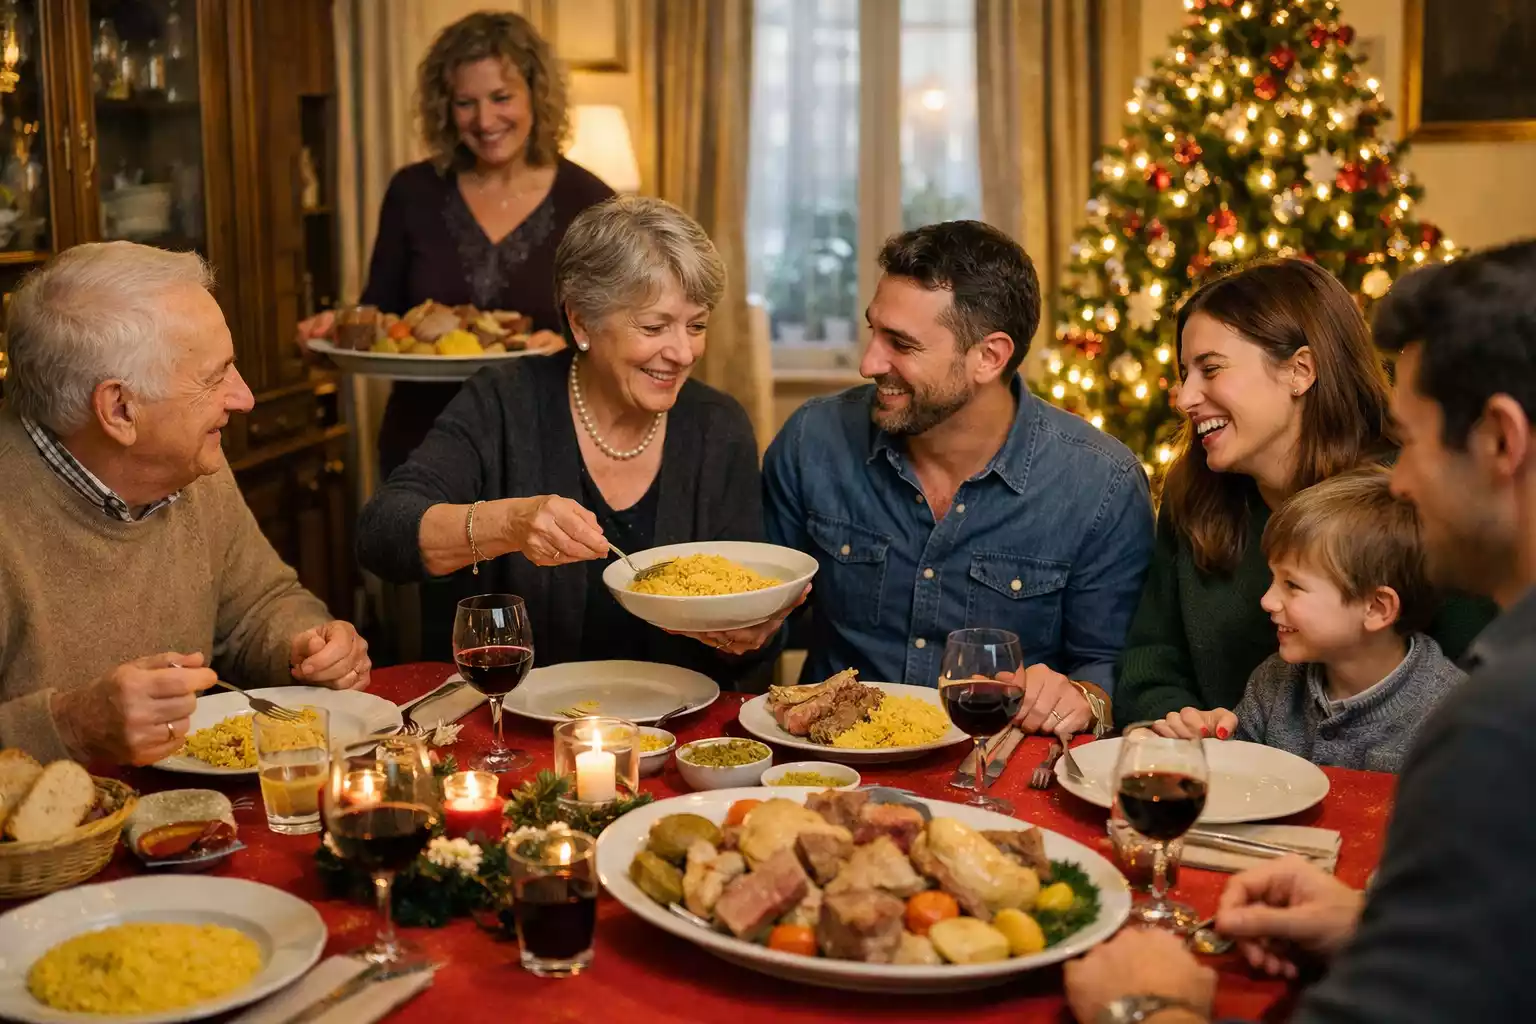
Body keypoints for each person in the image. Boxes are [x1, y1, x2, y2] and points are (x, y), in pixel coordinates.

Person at [1064, 240, 1536, 1023]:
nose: (1404, 480)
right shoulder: (1199, 500)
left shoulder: (1491, 725)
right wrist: (1363, 923)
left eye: (1413, 441)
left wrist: (1145, 1008)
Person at [742, 221, 1154, 735]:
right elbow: (765, 614)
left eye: (902, 344)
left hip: (992, 771)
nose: (870, 362)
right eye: (874, 330)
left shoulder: (1101, 484)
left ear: (989, 357)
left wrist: (1083, 697)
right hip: (831, 758)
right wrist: (739, 626)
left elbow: (1108, 664)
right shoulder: (813, 440)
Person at [356, 196, 773, 681]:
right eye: (655, 326)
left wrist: (749, 631)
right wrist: (510, 523)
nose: (682, 352)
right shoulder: (504, 402)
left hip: (679, 731)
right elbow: (382, 533)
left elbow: (753, 628)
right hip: (515, 729)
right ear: (580, 320)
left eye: (696, 325)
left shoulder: (718, 425)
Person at [0, 243, 370, 767]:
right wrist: (72, 724)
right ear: (120, 409)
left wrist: (304, 645)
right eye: (216, 376)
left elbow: (259, 605)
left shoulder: (189, 467)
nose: (244, 398)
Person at [1114, 258, 1494, 728]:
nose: (1184, 396)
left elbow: (1484, 685)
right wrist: (1181, 726)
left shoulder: (1416, 495)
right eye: (1184, 372)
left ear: (1301, 370)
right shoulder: (1192, 492)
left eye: (1210, 370)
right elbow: (1150, 664)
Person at [296, 10, 614, 477]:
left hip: (548, 447)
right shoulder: (412, 192)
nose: (485, 120)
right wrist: (336, 329)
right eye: (466, 103)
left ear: (536, 96)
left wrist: (572, 347)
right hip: (422, 446)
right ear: (445, 107)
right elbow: (380, 313)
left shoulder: (589, 200)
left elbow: (617, 334)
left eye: (501, 97)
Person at [1150, 467, 1464, 772]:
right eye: (1273, 578)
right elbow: (1239, 783)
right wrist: (1211, 746)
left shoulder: (1452, 717)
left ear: (1377, 608)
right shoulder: (1274, 682)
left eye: (1293, 585)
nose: (1267, 601)